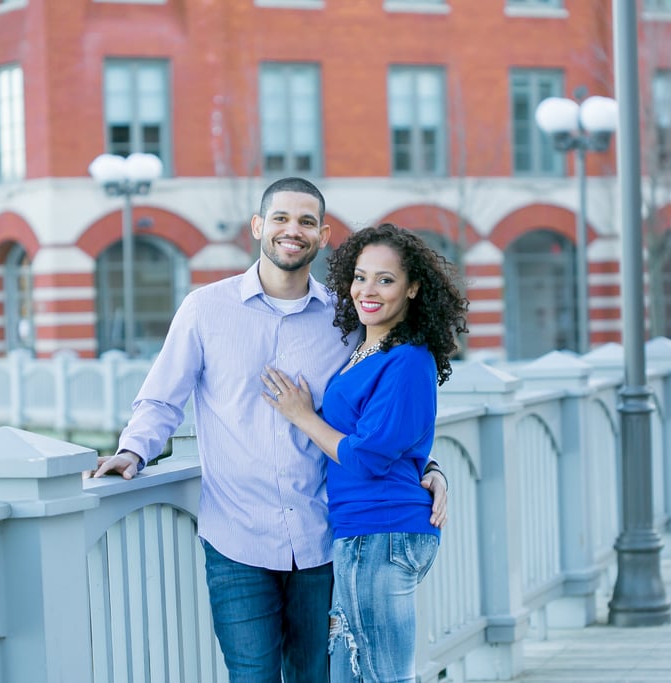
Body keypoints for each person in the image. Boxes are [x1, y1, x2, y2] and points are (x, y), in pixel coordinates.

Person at [91, 178, 448, 682]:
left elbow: (382, 410)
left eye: (306, 222)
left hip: (324, 536)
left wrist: (427, 466)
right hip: (237, 538)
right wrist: (133, 452)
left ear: (323, 236)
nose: (292, 230)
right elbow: (160, 398)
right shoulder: (205, 309)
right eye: (280, 218)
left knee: (319, 677)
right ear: (258, 226)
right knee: (252, 677)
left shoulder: (346, 320)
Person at [261, 223, 468, 683]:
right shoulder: (367, 348)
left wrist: (302, 415)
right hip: (363, 533)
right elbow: (397, 440)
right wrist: (432, 469)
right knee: (355, 674)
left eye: (385, 279)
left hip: (381, 532)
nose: (367, 290)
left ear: (414, 288)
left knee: (382, 676)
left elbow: (368, 456)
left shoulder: (408, 359)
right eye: (359, 276)